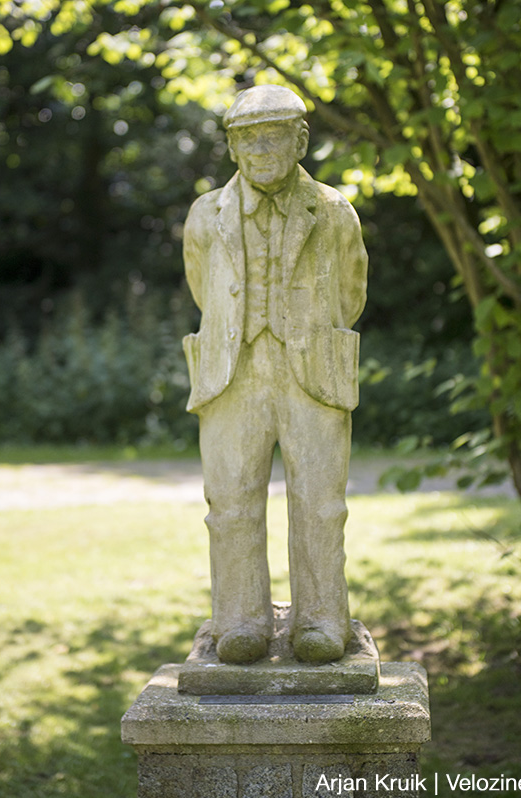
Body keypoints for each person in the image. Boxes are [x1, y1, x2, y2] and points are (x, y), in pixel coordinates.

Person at [182, 84, 368, 664]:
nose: (261, 147)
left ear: (300, 139)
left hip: (312, 371)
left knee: (319, 502)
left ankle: (321, 620)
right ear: (232, 148)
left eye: (275, 134)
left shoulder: (334, 211)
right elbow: (202, 285)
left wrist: (308, 331)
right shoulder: (207, 213)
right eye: (247, 137)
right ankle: (239, 621)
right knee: (231, 501)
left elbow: (351, 290)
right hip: (230, 374)